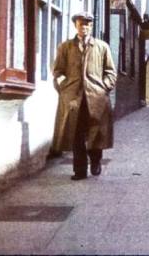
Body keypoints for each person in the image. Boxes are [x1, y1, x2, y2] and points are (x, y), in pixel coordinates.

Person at [52, 11, 117, 181]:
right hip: (74, 99)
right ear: (76, 25)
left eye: (88, 24)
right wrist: (64, 88)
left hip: (96, 98)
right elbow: (58, 71)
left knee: (96, 132)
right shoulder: (65, 47)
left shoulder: (102, 47)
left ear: (92, 26)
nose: (85, 27)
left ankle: (95, 161)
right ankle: (79, 170)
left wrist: (104, 88)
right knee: (76, 135)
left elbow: (110, 72)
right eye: (81, 24)